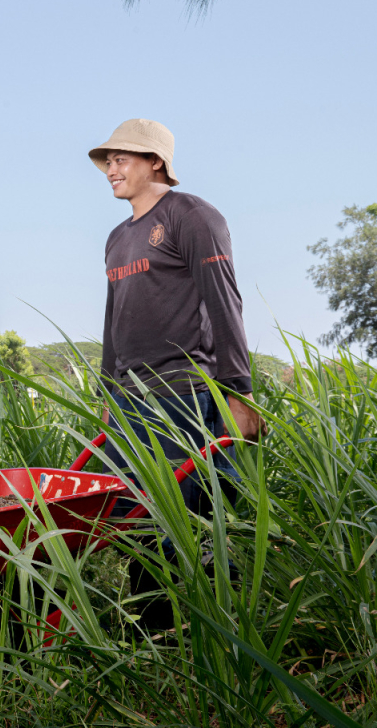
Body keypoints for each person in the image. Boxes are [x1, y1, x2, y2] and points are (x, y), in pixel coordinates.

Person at [91, 118, 262, 517]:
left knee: (190, 522)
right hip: (129, 396)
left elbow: (224, 301)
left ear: (154, 161)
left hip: (183, 392)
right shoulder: (117, 237)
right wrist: (107, 395)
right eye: (108, 163)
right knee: (130, 522)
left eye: (121, 160)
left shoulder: (192, 215)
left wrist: (238, 392)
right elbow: (113, 319)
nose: (111, 171)